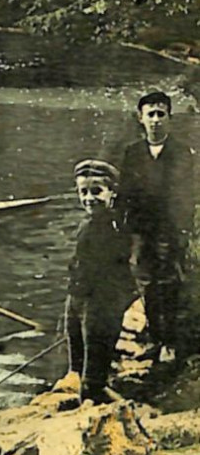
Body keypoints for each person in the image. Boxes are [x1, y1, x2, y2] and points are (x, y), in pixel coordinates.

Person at [116, 91, 196, 362]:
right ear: (141, 119)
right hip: (141, 229)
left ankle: (170, 342)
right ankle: (155, 337)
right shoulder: (132, 153)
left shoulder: (181, 153)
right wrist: (125, 227)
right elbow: (125, 192)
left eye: (161, 114)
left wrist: (181, 230)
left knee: (168, 282)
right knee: (146, 283)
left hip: (169, 229)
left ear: (170, 119)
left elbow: (186, 194)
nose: (156, 120)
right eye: (151, 114)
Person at [59, 159, 135, 404]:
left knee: (94, 371)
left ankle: (98, 397)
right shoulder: (87, 225)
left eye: (96, 191)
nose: (89, 198)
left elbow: (116, 269)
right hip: (79, 298)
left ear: (111, 192)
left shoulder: (114, 226)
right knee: (76, 358)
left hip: (101, 302)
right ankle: (83, 387)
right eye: (84, 192)